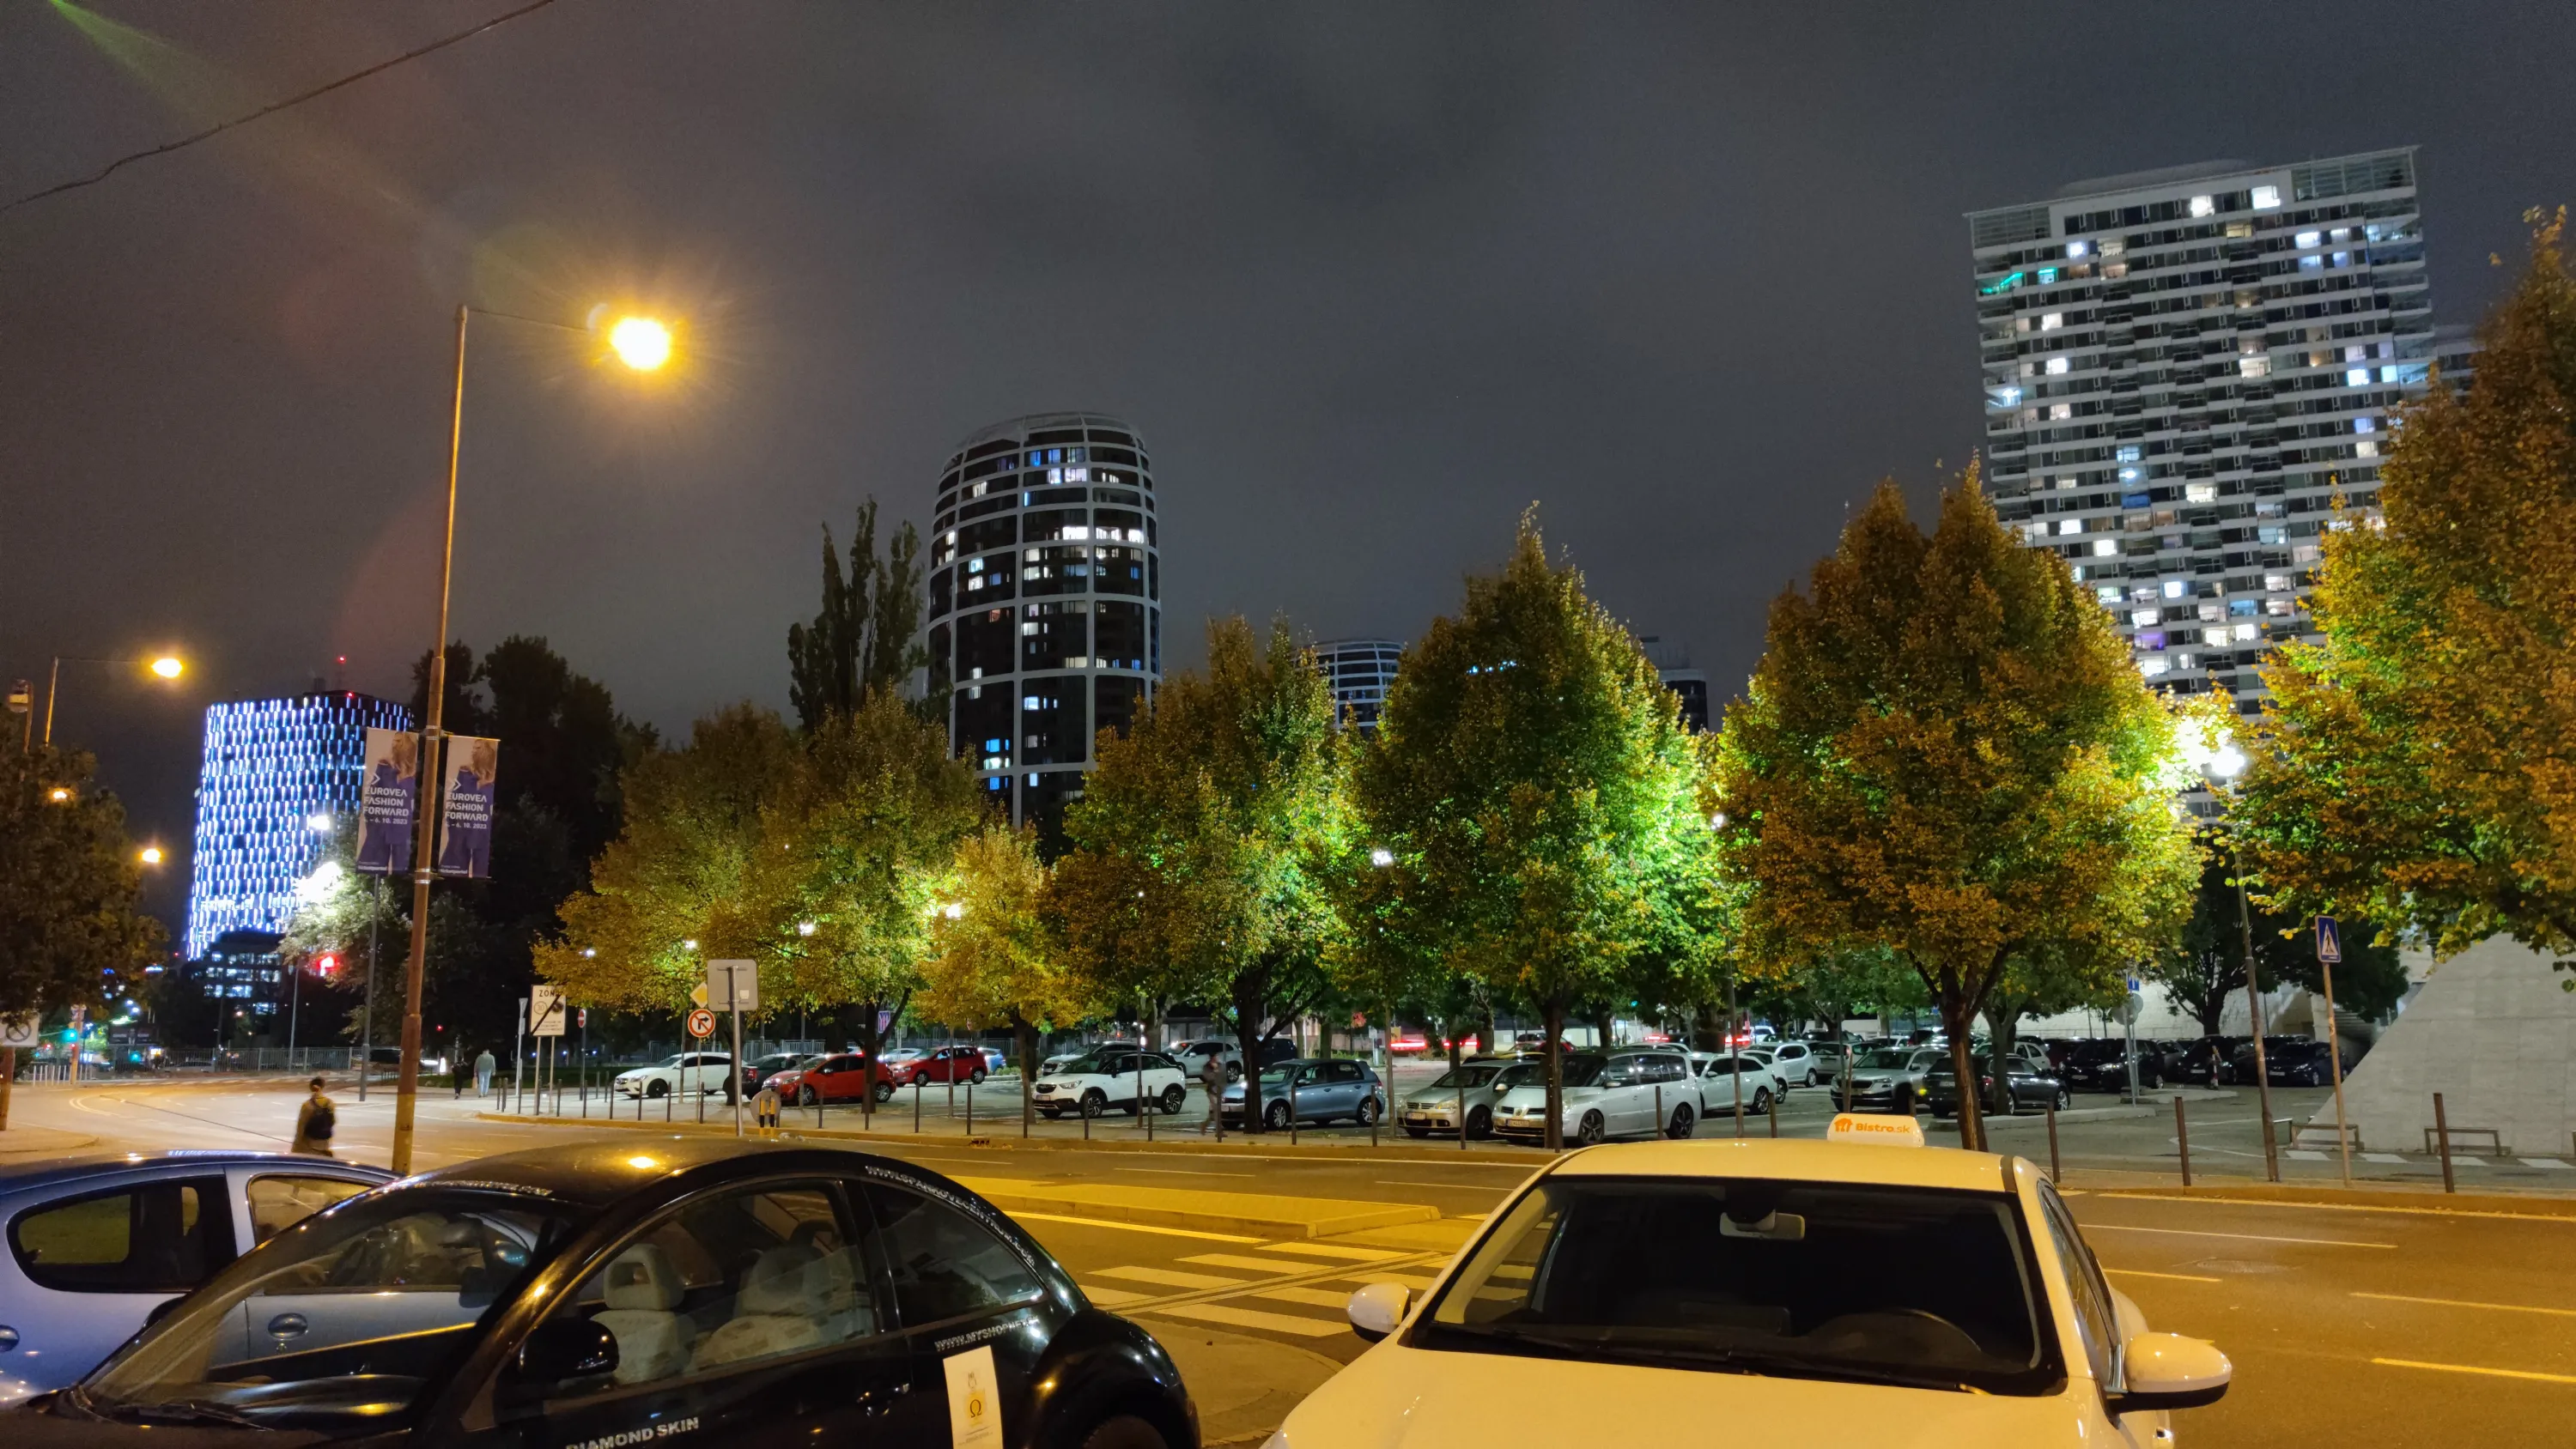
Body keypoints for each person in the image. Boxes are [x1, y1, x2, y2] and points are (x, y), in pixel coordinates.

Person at [292, 1077, 337, 1157]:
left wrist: (296, 1146)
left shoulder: (307, 1105)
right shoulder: (330, 1103)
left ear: (310, 1087)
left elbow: (301, 1127)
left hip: (309, 1146)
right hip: (325, 1144)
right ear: (323, 1087)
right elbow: (333, 1121)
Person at [1198, 1048, 1228, 1135]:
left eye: (1217, 1056)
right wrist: (1215, 1071)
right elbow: (1208, 1078)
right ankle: (1219, 1131)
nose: (1216, 1058)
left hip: (1219, 1090)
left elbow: (1223, 1076)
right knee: (1217, 1110)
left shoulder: (1220, 1065)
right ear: (1212, 1058)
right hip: (1211, 1091)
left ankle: (1204, 1125)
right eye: (1215, 1056)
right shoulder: (1207, 1067)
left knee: (1214, 1112)